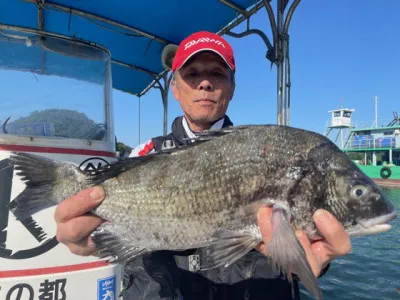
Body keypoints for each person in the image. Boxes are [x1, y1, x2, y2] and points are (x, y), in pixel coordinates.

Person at [54, 31, 351, 300]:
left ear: (232, 88)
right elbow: (111, 229)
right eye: (192, 73)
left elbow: (300, 240)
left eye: (217, 74)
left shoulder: (264, 151)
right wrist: (91, 239)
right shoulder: (143, 156)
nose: (205, 82)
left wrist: (314, 261)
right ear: (175, 88)